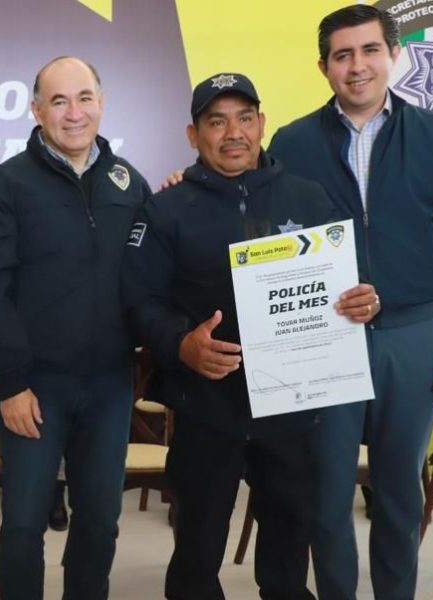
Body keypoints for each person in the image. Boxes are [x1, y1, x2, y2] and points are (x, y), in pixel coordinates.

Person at [122, 73, 378, 600]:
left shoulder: (309, 199)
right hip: (206, 405)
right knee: (197, 543)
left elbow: (351, 281)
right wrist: (181, 343)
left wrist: (364, 302)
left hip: (292, 406)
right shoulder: (166, 208)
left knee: (290, 537)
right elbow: (140, 301)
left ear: (262, 124)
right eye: (216, 122)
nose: (233, 132)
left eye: (244, 118)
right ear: (193, 135)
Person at [269, 5, 433, 599]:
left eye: (369, 51)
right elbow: (266, 234)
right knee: (327, 496)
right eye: (342, 55)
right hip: (326, 336)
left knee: (399, 494)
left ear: (394, 55)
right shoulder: (291, 142)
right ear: (324, 67)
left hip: (414, 336)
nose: (357, 66)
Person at [0, 56, 150, 600]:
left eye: (84, 98)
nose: (74, 113)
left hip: (109, 384)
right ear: (37, 109)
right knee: (23, 522)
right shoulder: (5, 185)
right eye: (59, 101)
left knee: (100, 520)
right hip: (33, 386)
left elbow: (152, 269)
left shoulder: (127, 182)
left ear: (101, 103)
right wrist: (10, 383)